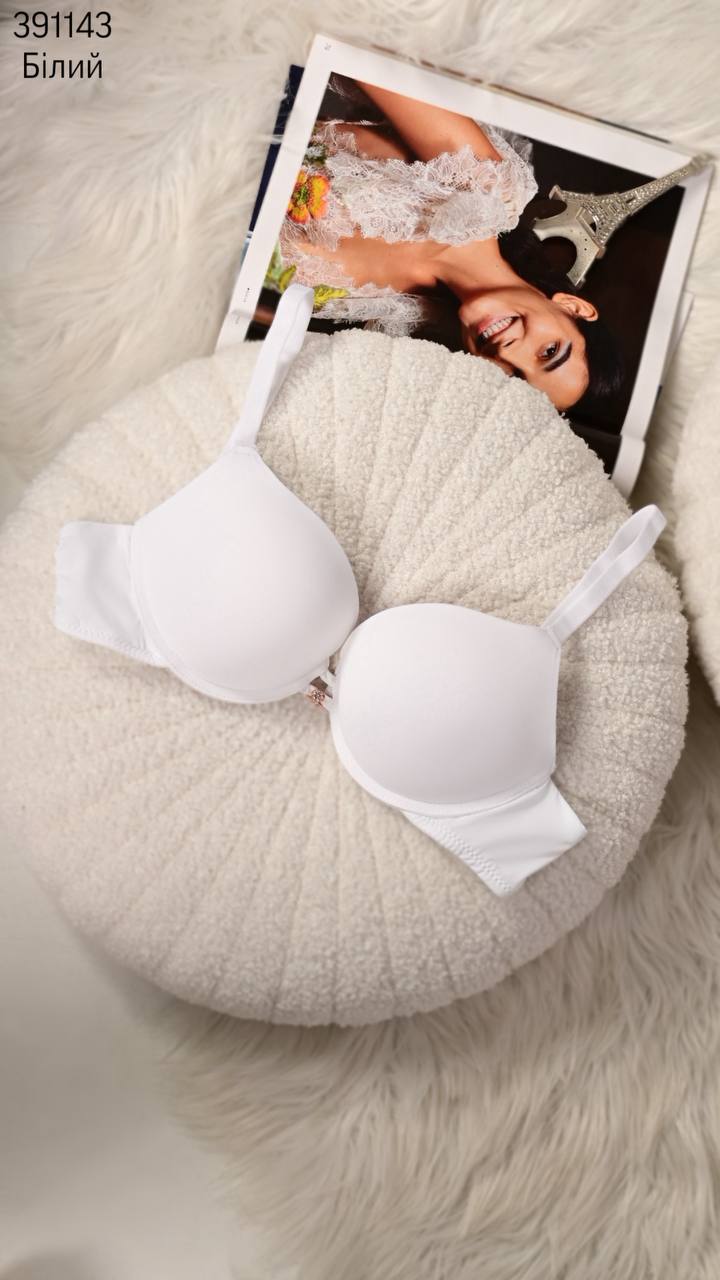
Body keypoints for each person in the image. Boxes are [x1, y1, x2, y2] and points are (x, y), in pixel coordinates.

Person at [273, 79, 624, 418]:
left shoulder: (396, 319)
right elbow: (363, 64)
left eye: (515, 378)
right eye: (548, 351)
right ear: (573, 307)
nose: (509, 353)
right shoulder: (484, 187)